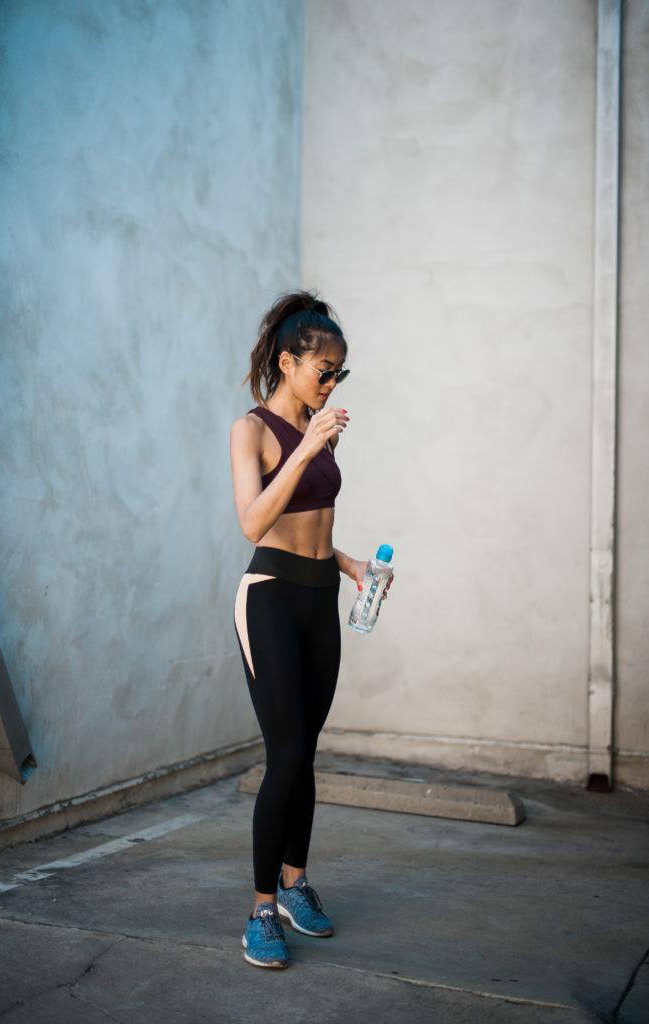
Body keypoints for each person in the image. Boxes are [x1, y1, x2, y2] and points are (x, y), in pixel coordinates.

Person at [230, 290, 389, 969]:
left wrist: (352, 564)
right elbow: (254, 521)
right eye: (323, 370)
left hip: (320, 595)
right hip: (268, 599)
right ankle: (261, 908)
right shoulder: (254, 429)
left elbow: (315, 523)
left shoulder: (320, 425)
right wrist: (305, 447)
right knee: (285, 753)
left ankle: (296, 884)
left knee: (307, 753)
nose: (330, 383)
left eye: (339, 373)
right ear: (288, 362)